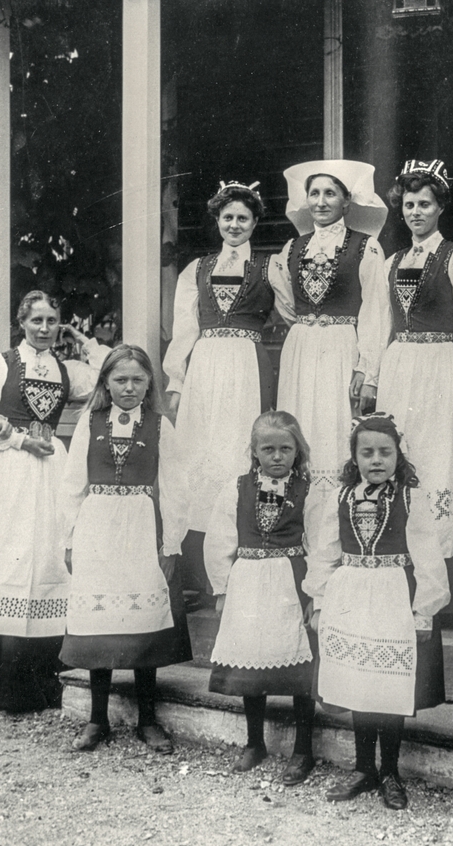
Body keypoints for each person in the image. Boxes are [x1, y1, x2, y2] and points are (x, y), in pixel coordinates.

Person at [0, 290, 107, 713]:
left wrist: (86, 341)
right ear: (22, 323)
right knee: (5, 556)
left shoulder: (65, 368)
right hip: (8, 470)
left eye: (52, 321)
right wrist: (20, 440)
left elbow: (107, 373)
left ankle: (37, 684)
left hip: (50, 470)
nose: (43, 328)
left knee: (46, 557)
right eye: (36, 320)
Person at [306, 415, 448, 810]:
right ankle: (364, 768)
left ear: (399, 455)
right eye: (366, 452)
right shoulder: (340, 497)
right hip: (350, 597)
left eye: (385, 452)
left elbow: (428, 559)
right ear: (354, 457)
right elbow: (325, 553)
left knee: (387, 688)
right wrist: (319, 603)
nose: (376, 460)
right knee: (358, 685)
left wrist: (424, 611)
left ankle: (389, 771)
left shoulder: (410, 498)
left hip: (392, 598)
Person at [161, 181, 288, 602]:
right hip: (205, 367)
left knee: (237, 452)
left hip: (247, 367)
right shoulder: (196, 269)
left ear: (254, 223)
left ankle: (234, 567)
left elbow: (292, 310)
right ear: (216, 220)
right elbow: (184, 330)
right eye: (228, 217)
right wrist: (176, 383)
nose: (235, 224)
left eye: (243, 218)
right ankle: (194, 571)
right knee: (197, 454)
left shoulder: (269, 268)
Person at [60, 344, 189, 752]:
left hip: (139, 528)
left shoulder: (158, 425)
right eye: (120, 380)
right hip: (97, 528)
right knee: (101, 623)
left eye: (137, 380)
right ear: (106, 383)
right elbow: (71, 486)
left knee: (143, 627)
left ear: (149, 383)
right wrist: (69, 538)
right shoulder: (90, 422)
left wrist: (170, 544)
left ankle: (148, 720)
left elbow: (174, 488)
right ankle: (97, 720)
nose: (129, 388)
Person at [270, 160, 390, 545]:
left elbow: (375, 309)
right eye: (315, 194)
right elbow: (286, 304)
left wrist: (365, 368)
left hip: (343, 347)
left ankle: (337, 536)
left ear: (346, 201)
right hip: (303, 350)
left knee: (336, 430)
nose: (321, 202)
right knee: (301, 428)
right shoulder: (293, 248)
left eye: (330, 193)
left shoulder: (365, 246)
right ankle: (298, 536)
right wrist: (309, 331)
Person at [376, 159, 453, 561]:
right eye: (409, 205)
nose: (416, 213)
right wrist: (370, 374)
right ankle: (399, 553)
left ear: (440, 207)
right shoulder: (391, 263)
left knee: (437, 456)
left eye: (425, 204)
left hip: (440, 365)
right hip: (399, 366)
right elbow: (378, 322)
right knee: (401, 450)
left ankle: (441, 560)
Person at [203, 410, 317, 785]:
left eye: (286, 448)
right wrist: (221, 588)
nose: (277, 456)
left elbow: (318, 543)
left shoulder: (309, 490)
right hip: (248, 581)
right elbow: (219, 538)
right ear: (254, 451)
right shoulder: (237, 488)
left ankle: (303, 749)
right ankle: (255, 742)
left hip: (291, 580)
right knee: (251, 660)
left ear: (297, 451)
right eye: (268, 449)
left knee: (301, 669)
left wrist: (316, 592)